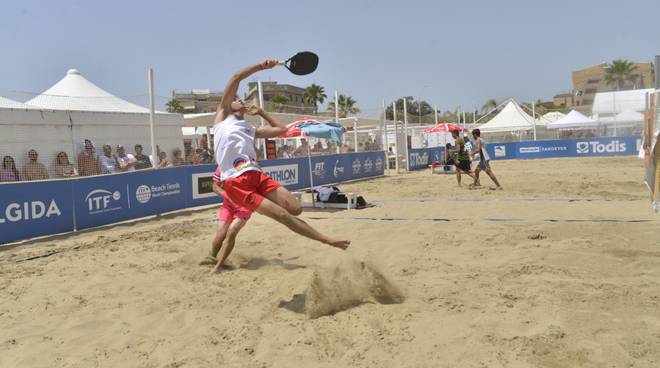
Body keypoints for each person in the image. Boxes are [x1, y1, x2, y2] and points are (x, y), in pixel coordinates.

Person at [212, 59, 349, 250]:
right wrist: (261, 66)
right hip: (236, 182)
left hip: (256, 175)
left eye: (241, 99)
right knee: (283, 215)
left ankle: (259, 205)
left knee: (296, 208)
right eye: (237, 99)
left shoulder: (249, 128)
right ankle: (326, 239)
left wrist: (261, 112)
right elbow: (236, 77)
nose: (240, 101)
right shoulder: (222, 117)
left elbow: (281, 129)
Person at [203, 167, 252, 273]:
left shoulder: (250, 164)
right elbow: (215, 186)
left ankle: (219, 266)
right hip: (228, 205)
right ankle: (212, 258)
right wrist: (227, 196)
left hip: (245, 206)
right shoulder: (223, 164)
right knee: (221, 234)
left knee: (232, 231)